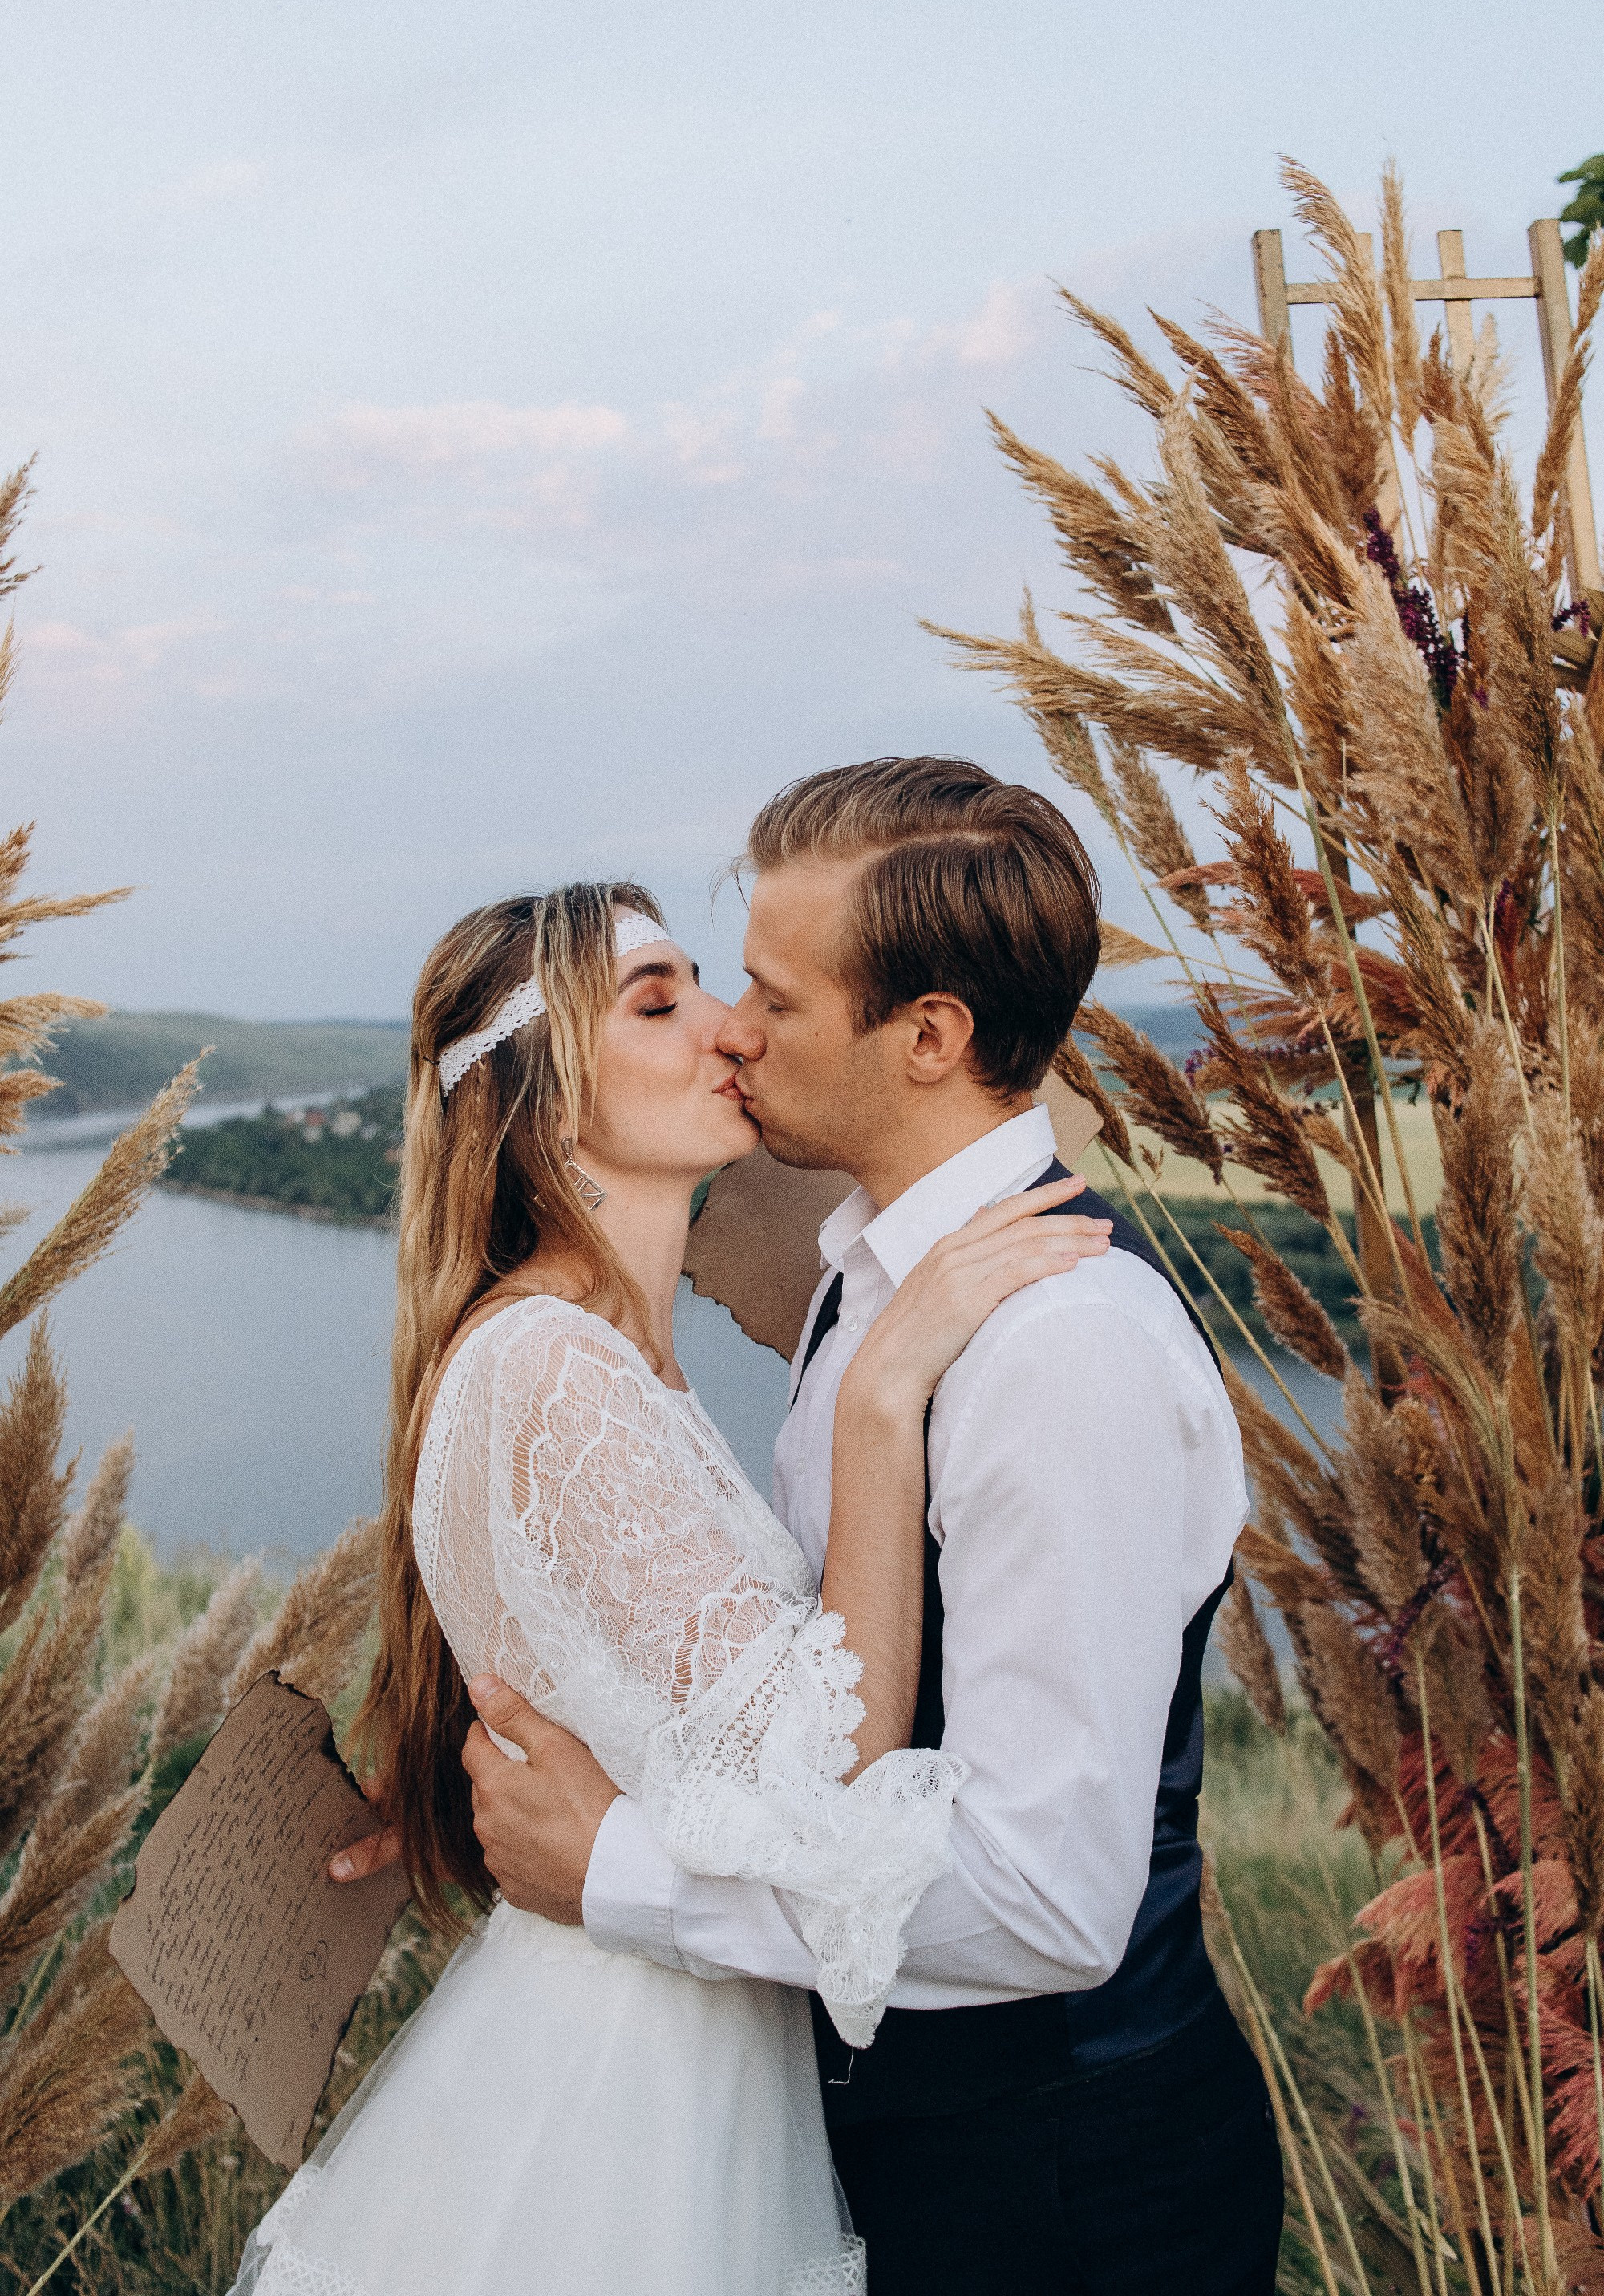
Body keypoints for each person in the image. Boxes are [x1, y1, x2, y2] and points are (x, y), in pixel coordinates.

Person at [396, 759, 1286, 2294]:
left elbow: (1048, 1900)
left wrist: (615, 1868)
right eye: (692, 996)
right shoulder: (869, 1303)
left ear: (928, 1037)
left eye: (770, 996)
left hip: (1063, 2193)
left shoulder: (1053, 1349)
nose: (737, 1031)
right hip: (864, 2158)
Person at [234, 878, 1112, 2296]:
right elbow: (819, 1780)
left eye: (716, 985)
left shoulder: (595, 1357)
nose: (729, 1032)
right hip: (622, 2111)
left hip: (653, 2046)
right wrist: (888, 1397)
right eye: (660, 1003)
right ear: (544, 1100)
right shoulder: (553, 1371)